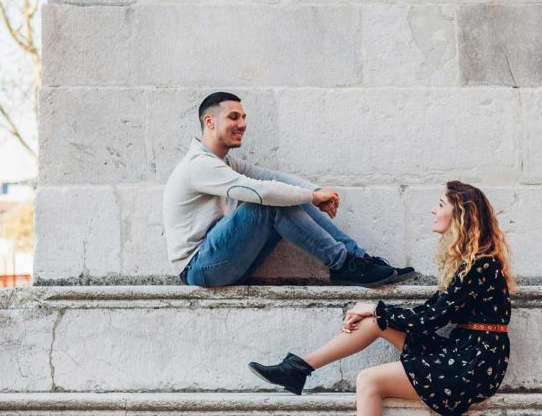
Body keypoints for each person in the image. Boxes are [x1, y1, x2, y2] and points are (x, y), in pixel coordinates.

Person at [248, 180, 515, 416]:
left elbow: (431, 317)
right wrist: (376, 311)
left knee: (369, 380)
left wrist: (375, 307)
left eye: (441, 205)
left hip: (471, 366)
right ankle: (298, 369)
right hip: (461, 352)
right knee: (375, 322)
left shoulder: (481, 265)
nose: (434, 210)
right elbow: (428, 314)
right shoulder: (471, 263)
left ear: (461, 214)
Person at [162, 92, 415, 287]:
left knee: (287, 194)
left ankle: (358, 258)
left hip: (219, 261)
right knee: (269, 204)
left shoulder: (223, 161)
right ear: (209, 121)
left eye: (243, 117)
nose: (242, 124)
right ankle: (343, 264)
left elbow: (271, 177)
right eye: (233, 117)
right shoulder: (199, 165)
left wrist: (314, 192)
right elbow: (259, 192)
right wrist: (313, 196)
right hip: (199, 269)